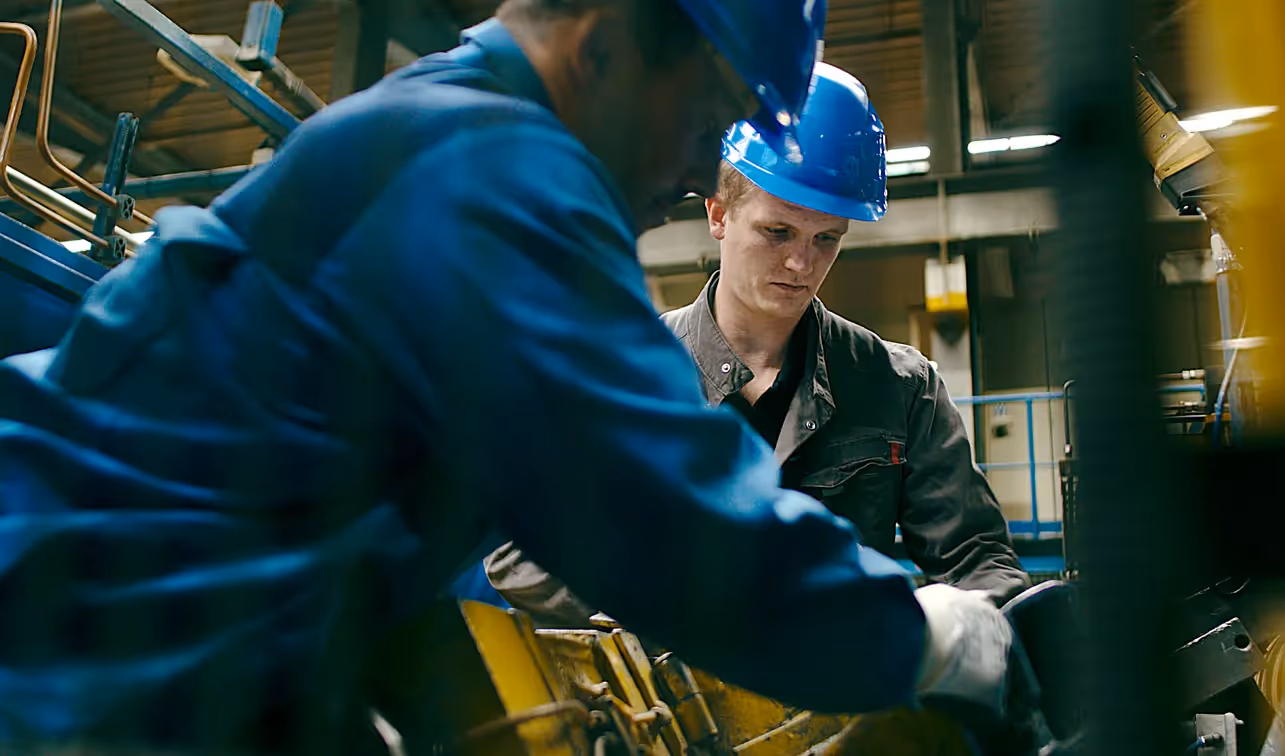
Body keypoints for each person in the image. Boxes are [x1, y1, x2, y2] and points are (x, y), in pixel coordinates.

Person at [0, 1, 1016, 753]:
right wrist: (925, 635)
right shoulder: (498, 176)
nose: (693, 173)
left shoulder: (442, 127)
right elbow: (671, 527)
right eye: (706, 116)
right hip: (73, 670)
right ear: (604, 46)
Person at [486, 62, 1030, 627]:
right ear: (719, 214)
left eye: (827, 239)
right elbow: (517, 553)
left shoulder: (900, 389)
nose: (801, 263)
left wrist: (952, 632)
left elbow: (980, 563)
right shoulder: (614, 376)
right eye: (778, 232)